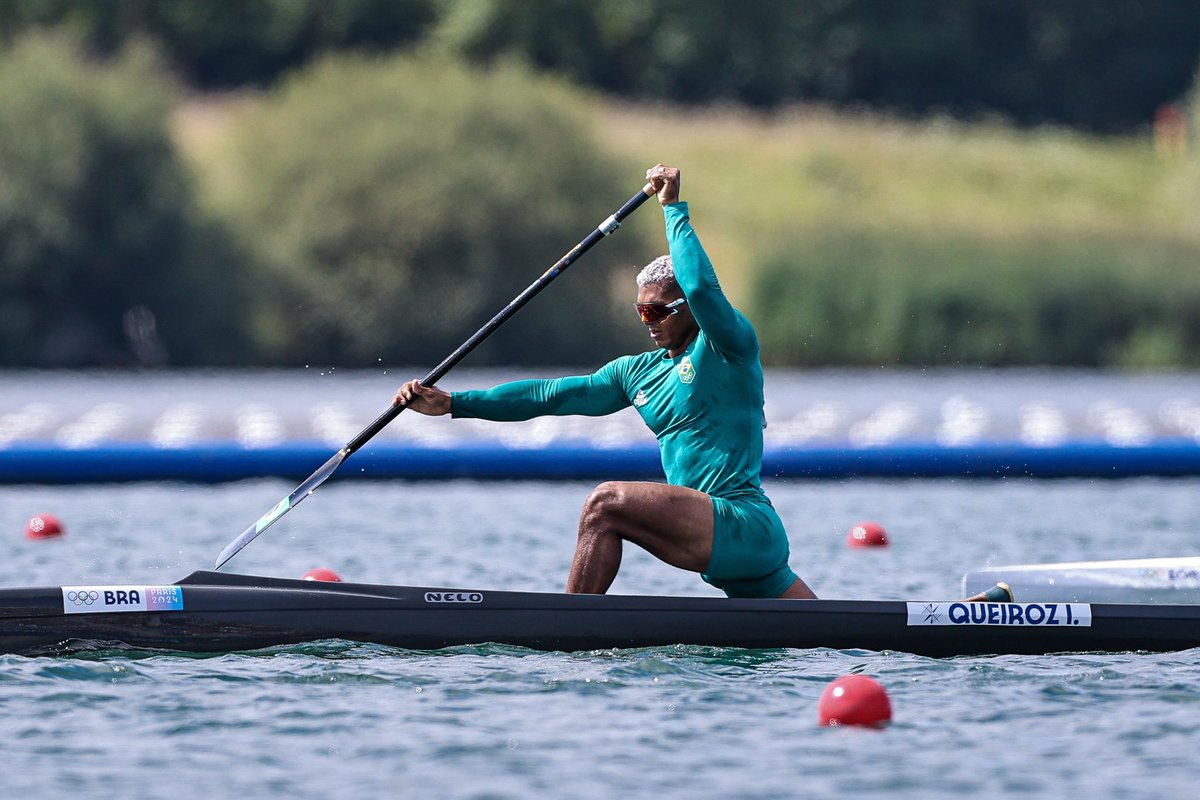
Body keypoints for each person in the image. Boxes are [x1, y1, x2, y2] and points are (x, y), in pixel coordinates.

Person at [393, 164, 817, 600]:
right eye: (640, 312)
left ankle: (568, 625)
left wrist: (672, 208)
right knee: (828, 640)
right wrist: (454, 404)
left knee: (605, 504)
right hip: (725, 548)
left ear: (688, 308)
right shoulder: (636, 373)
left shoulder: (728, 346)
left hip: (740, 522)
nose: (647, 322)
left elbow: (703, 289)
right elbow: (549, 396)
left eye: (658, 311)